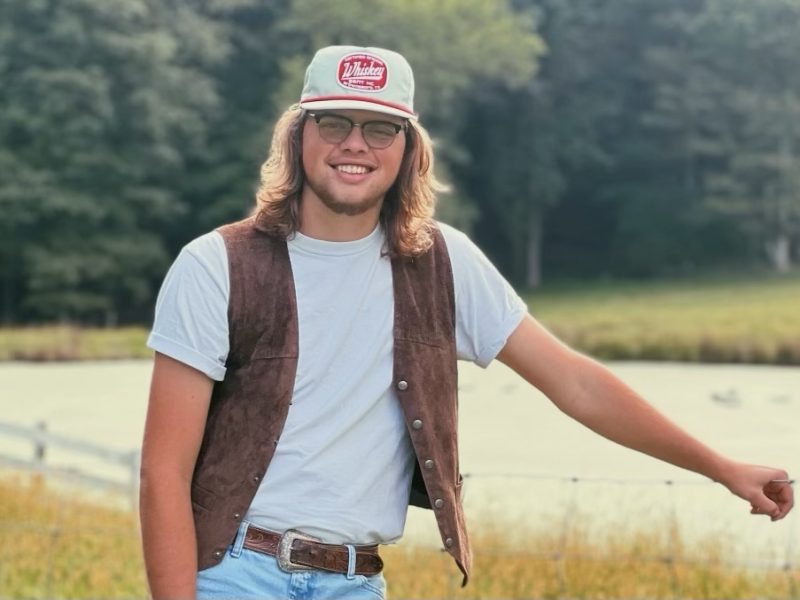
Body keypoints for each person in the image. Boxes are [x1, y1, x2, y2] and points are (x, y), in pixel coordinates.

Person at [139, 45, 794, 600]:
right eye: (334, 122)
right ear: (298, 135)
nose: (354, 144)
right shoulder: (215, 266)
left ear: (408, 148)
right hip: (235, 573)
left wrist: (720, 466)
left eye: (380, 128)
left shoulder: (445, 265)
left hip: (356, 582)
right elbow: (162, 472)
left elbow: (577, 385)